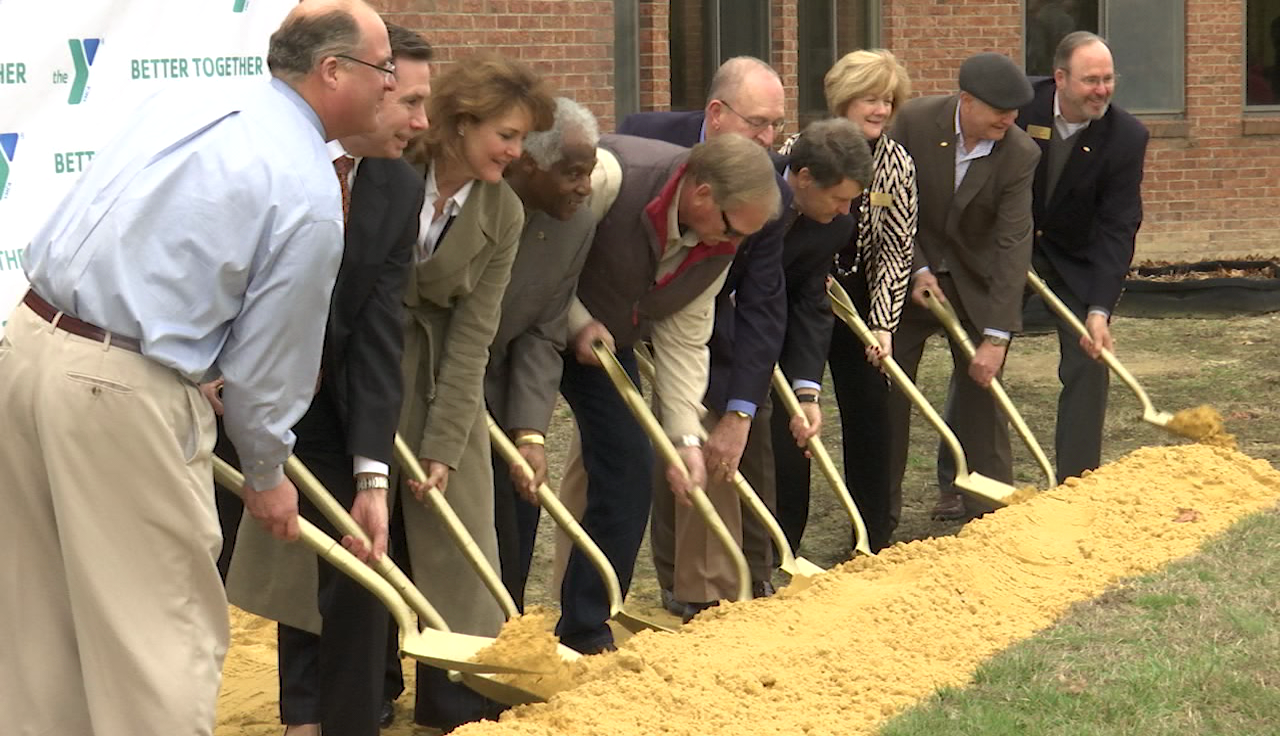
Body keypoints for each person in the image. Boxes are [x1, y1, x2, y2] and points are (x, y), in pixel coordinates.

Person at [0, 2, 393, 735]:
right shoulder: (307, 191)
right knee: (161, 638)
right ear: (333, 71)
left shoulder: (195, 100)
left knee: (40, 625)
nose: (391, 86)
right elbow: (269, 368)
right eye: (385, 69)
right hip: (120, 391)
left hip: (27, 348)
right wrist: (267, 473)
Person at [213, 23, 432, 736]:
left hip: (325, 399)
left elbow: (377, 335)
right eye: (406, 100)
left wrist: (374, 474)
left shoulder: (397, 188)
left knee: (357, 560)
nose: (420, 122)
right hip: (219, 392)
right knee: (207, 569)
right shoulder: (270, 155)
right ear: (363, 87)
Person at [557, 132, 781, 653]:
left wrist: (685, 438)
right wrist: (577, 321)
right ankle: (501, 628)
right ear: (702, 195)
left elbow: (685, 337)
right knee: (514, 478)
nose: (732, 245)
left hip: (603, 346)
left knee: (629, 468)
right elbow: (539, 258)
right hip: (530, 327)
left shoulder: (719, 244)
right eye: (732, 228)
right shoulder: (612, 178)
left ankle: (585, 628)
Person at [394, 53, 554, 732]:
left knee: (461, 540)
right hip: (360, 366)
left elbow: (473, 340)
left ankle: (455, 704)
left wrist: (444, 444)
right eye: (506, 135)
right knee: (363, 538)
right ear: (461, 122)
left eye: (522, 139)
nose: (515, 152)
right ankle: (353, 695)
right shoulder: (390, 171)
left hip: (440, 382)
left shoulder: (504, 212)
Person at [619, 55, 790, 609]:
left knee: (725, 432)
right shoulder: (643, 140)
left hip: (703, 316)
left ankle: (729, 582)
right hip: (615, 313)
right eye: (757, 122)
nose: (769, 138)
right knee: (625, 446)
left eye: (777, 125)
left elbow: (764, 303)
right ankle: (645, 588)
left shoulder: (771, 193)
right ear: (717, 114)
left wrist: (740, 410)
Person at [886, 52, 1040, 521]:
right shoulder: (912, 122)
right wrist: (915, 268)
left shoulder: (1020, 152)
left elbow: (1013, 244)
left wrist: (997, 336)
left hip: (975, 280)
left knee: (983, 397)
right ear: (967, 101)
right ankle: (877, 518)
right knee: (888, 395)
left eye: (1014, 112)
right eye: (1000, 111)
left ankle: (991, 513)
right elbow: (888, 205)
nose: (1009, 120)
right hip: (907, 273)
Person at [774, 49, 917, 553]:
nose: (880, 109)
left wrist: (883, 323)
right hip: (799, 297)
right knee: (792, 416)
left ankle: (871, 535)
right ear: (843, 100)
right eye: (869, 98)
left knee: (872, 412)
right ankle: (784, 538)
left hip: (861, 298)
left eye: (888, 100)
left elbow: (897, 248)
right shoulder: (800, 152)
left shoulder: (898, 164)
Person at [1016, 32, 1148, 484]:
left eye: (1108, 79)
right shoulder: (1020, 108)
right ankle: (961, 480)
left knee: (1090, 359)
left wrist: (1099, 309)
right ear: (1059, 78)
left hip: (1074, 258)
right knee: (982, 349)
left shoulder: (1126, 137)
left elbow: (1118, 226)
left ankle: (1078, 481)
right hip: (1011, 248)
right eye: (1091, 80)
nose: (1102, 90)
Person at [488, 97, 600, 609]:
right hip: (437, 386)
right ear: (528, 164)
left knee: (520, 509)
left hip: (503, 385)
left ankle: (504, 638)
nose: (585, 187)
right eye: (572, 173)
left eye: (589, 172)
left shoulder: (576, 224)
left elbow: (543, 330)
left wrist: (530, 433)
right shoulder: (478, 205)